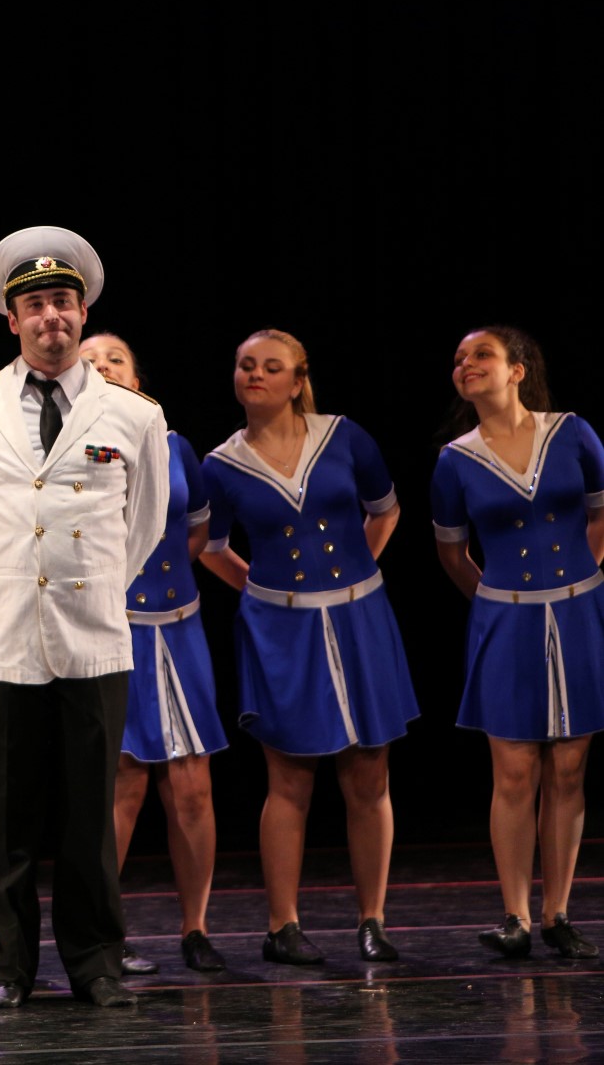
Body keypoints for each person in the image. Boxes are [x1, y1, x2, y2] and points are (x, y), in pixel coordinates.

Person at [0, 227, 170, 1009]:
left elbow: (145, 525)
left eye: (62, 301)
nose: (50, 317)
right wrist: (3, 589)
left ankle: (95, 962)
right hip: (2, 639)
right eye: (34, 305)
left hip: (93, 637)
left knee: (89, 817)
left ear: (83, 310)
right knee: (2, 820)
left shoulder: (133, 414)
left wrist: (88, 589)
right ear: (13, 320)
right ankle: (12, 966)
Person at [199, 328, 418, 965]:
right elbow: (211, 549)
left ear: (299, 381)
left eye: (272, 367)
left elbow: (385, 510)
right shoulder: (221, 465)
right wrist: (265, 594)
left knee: (369, 774)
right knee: (289, 779)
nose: (255, 375)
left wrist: (355, 577)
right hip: (282, 632)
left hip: (360, 620)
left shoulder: (344, 437)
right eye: (245, 365)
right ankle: (282, 927)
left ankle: (372, 920)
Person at [431, 326, 604, 960]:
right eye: (459, 358)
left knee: (569, 767)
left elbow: (601, 511)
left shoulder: (572, 433)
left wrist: (582, 579)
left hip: (580, 614)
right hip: (505, 621)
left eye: (482, 354)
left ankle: (558, 913)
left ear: (518, 369)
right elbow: (453, 555)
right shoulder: (456, 460)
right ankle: (516, 917)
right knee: (514, 770)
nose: (467, 364)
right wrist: (497, 601)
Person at [78, 335, 227, 975]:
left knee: (192, 786)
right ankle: (103, 933)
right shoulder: (70, 451)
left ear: (137, 380)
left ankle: (196, 927)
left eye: (115, 358)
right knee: (124, 784)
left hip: (181, 628)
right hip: (114, 632)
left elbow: (198, 531)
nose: (103, 366)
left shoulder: (173, 445)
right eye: (89, 361)